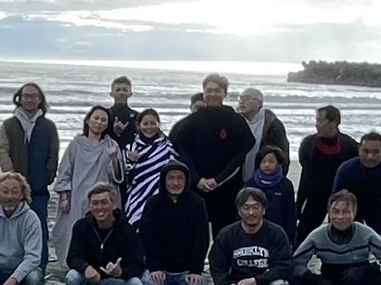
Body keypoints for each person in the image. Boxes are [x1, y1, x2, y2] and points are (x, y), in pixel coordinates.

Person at [168, 73, 254, 237]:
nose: (213, 94)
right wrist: (197, 179)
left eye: (217, 90)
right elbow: (182, 152)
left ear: (225, 94)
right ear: (203, 92)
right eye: (209, 90)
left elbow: (239, 155)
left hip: (226, 188)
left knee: (225, 235)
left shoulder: (235, 121)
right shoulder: (190, 122)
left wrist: (218, 180)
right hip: (196, 188)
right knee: (194, 234)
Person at [207, 188, 295, 285]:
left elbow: (285, 266)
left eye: (255, 207)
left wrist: (255, 281)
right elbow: (217, 266)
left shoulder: (276, 233)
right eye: (246, 208)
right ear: (239, 211)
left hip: (265, 283)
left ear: (264, 210)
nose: (251, 213)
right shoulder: (226, 234)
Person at [0, 82, 59, 267]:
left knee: (39, 231)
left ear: (40, 100)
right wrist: (13, 179)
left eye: (34, 96)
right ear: (19, 98)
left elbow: (53, 154)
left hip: (39, 191)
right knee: (12, 231)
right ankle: (12, 269)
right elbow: (3, 152)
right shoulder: (9, 125)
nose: (30, 99)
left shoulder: (48, 126)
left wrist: (48, 175)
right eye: (26, 96)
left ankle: (39, 271)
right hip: (12, 193)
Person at [53, 106, 124, 269]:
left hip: (101, 197)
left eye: (103, 120)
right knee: (74, 229)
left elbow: (117, 178)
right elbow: (65, 169)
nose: (99, 122)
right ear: (88, 120)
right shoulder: (76, 144)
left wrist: (114, 159)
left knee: (101, 229)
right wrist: (64, 196)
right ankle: (73, 263)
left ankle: (101, 264)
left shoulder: (111, 145)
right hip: (78, 195)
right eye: (96, 118)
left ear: (108, 124)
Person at [64, 183, 146, 285]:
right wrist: (86, 267)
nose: (99, 208)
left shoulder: (128, 230)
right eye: (95, 203)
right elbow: (72, 257)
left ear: (114, 205)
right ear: (90, 206)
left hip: (115, 282)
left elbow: (138, 264)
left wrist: (121, 273)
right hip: (89, 281)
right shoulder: (81, 226)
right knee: (71, 277)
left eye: (104, 202)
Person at [139, 161, 211, 285]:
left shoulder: (197, 203)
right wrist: (154, 267)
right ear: (164, 181)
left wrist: (196, 270)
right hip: (160, 269)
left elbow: (202, 238)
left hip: (186, 270)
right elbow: (146, 237)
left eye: (180, 178)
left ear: (187, 180)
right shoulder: (152, 204)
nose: (175, 182)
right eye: (171, 178)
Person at [296, 105, 358, 237]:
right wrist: (299, 204)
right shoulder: (308, 143)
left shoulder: (350, 146)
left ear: (333, 122)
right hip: (315, 197)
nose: (316, 125)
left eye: (319, 120)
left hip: (340, 198)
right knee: (303, 235)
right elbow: (305, 172)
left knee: (340, 236)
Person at [331, 133, 381, 240]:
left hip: (379, 211)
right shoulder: (346, 169)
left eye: (375, 152)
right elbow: (336, 200)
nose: (370, 157)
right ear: (359, 149)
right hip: (350, 211)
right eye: (365, 151)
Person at [120, 109, 176, 227]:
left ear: (158, 125)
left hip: (161, 197)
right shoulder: (130, 148)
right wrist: (131, 162)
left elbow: (175, 172)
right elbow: (123, 179)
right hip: (136, 197)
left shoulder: (167, 147)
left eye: (153, 123)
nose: (149, 127)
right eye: (145, 124)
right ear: (139, 126)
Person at [247, 145, 298, 245]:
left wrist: (291, 239)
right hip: (254, 232)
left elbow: (290, 214)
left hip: (278, 231)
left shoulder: (285, 185)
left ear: (278, 163)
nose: (267, 165)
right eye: (264, 161)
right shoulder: (251, 183)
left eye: (271, 161)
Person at [237, 88, 288, 180]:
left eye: (247, 98)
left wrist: (278, 178)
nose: (242, 102)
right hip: (237, 181)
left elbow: (282, 154)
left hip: (264, 179)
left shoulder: (272, 124)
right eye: (240, 98)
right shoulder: (235, 122)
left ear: (259, 103)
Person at [108, 76, 138, 148]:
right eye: (118, 90)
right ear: (111, 94)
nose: (121, 93)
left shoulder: (137, 116)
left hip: (130, 155)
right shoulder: (105, 115)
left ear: (130, 94)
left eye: (124, 90)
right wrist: (114, 132)